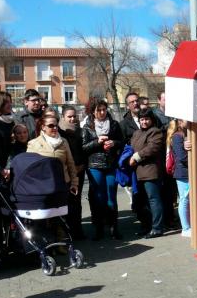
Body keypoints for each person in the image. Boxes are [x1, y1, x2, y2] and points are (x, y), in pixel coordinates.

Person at [82, 98, 124, 240]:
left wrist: (114, 143)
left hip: (111, 164)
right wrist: (96, 142)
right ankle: (99, 229)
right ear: (93, 112)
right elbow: (83, 148)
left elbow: (122, 142)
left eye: (104, 109)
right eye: (98, 110)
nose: (102, 112)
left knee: (111, 195)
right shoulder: (87, 127)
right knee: (99, 197)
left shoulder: (114, 124)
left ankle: (114, 228)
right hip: (94, 165)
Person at [129, 108, 165, 239]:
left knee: (153, 199)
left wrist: (136, 156)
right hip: (137, 172)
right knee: (141, 202)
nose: (144, 122)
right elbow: (131, 146)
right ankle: (146, 226)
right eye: (142, 119)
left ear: (151, 119)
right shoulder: (137, 133)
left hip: (150, 171)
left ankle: (157, 228)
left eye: (146, 119)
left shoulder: (155, 132)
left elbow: (152, 148)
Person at [27, 115, 79, 201]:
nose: (55, 128)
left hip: (63, 185)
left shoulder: (64, 141)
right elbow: (29, 168)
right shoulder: (33, 143)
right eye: (51, 126)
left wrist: (74, 183)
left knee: (63, 212)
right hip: (43, 186)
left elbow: (71, 164)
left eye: (56, 125)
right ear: (43, 127)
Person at [58, 105, 86, 240]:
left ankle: (78, 231)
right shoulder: (59, 131)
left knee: (76, 202)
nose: (72, 119)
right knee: (65, 203)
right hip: (65, 172)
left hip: (79, 170)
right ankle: (66, 233)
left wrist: (82, 164)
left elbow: (82, 150)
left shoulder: (80, 131)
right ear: (63, 117)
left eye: (74, 116)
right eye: (69, 116)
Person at [168, 119, 190, 237]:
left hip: (186, 172)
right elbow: (181, 156)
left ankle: (189, 225)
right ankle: (185, 228)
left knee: (188, 200)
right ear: (180, 121)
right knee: (184, 199)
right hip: (183, 173)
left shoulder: (186, 134)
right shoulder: (177, 136)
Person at [0, 91, 14, 181]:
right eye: (6, 102)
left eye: (10, 102)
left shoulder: (13, 121)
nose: (10, 104)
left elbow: (14, 146)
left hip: (10, 168)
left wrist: (8, 166)